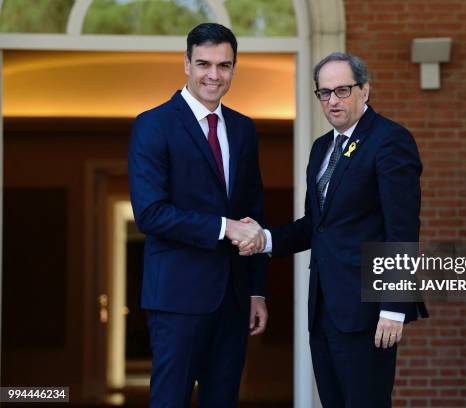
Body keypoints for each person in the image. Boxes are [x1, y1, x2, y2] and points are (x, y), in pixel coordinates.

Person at [238, 52, 428, 407]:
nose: (333, 101)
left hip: (367, 311)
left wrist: (392, 307)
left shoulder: (389, 141)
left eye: (342, 90)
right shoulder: (322, 148)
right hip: (324, 309)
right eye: (324, 93)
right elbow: (316, 227)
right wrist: (264, 239)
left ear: (365, 90)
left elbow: (401, 230)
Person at [128, 23, 268, 407]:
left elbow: (253, 213)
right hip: (177, 298)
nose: (213, 75)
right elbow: (151, 213)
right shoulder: (153, 124)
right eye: (203, 63)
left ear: (234, 69)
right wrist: (225, 228)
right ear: (186, 63)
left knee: (222, 400)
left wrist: (256, 291)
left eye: (224, 66)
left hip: (234, 298)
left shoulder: (243, 129)